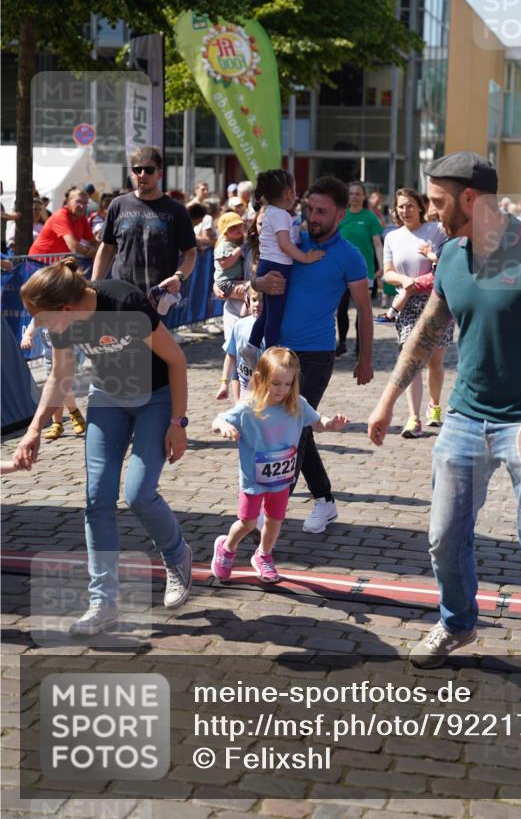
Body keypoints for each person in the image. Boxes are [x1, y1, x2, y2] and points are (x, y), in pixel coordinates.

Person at [368, 152, 521, 721]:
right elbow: (430, 328)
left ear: (471, 199)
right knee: (443, 537)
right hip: (464, 421)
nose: (431, 211)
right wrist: (386, 399)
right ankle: (457, 623)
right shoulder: (451, 253)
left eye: (440, 201)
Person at [13, 258, 193, 634]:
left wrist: (178, 423)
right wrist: (33, 429)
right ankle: (103, 604)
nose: (40, 326)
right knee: (97, 499)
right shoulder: (63, 325)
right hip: (108, 399)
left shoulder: (124, 302)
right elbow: (60, 378)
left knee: (140, 494)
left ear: (63, 309)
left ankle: (177, 557)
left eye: (40, 318)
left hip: (155, 397)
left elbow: (176, 360)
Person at [252, 176, 373, 534]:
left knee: (291, 429)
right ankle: (325, 500)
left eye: (322, 211)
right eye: (309, 209)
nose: (313, 216)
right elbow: (255, 276)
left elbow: (364, 310)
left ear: (339, 213)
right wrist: (258, 284)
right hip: (276, 352)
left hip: (316, 355)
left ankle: (273, 510)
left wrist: (364, 358)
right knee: (297, 427)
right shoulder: (290, 242)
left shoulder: (348, 256)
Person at [211, 347, 349, 582]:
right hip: (254, 480)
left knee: (275, 521)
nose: (282, 390)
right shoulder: (249, 407)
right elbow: (219, 419)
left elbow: (317, 422)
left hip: (282, 479)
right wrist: (223, 426)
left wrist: (330, 424)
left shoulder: (297, 404)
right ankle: (227, 546)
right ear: (260, 379)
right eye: (276, 383)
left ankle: (263, 555)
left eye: (287, 384)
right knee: (248, 522)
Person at [381, 188, 451, 438]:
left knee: (434, 362)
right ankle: (414, 418)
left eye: (410, 205)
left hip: (437, 303)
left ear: (420, 207)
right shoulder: (392, 237)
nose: (405, 210)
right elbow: (387, 272)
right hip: (408, 302)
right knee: (412, 361)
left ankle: (435, 404)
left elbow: (446, 262)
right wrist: (402, 279)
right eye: (401, 206)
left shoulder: (436, 231)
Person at [242, 169, 325, 369]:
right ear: (288, 193)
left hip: (270, 265)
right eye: (295, 190)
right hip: (277, 267)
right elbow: (285, 245)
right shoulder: (279, 214)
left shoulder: (274, 213)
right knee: (275, 316)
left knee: (268, 314)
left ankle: (252, 347)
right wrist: (305, 257)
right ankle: (270, 354)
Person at [92, 146, 197, 296]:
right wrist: (94, 286)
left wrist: (178, 277)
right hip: (121, 295)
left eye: (149, 170)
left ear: (160, 173)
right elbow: (107, 249)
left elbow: (190, 253)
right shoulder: (118, 205)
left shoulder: (176, 210)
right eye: (137, 170)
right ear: (132, 174)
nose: (142, 175)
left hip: (160, 295)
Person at [336, 181, 384, 357]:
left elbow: (377, 244)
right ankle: (341, 343)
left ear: (364, 197)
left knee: (361, 310)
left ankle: (359, 345)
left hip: (364, 271)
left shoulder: (370, 218)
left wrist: (383, 267)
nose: (354, 196)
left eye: (358, 193)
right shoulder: (341, 215)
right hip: (341, 270)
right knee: (341, 308)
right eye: (351, 193)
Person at [21, 317, 86, 441]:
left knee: (62, 385)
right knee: (56, 389)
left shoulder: (65, 311)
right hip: (50, 358)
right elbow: (32, 326)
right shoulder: (40, 314)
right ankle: (57, 423)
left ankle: (74, 413)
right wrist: (27, 336)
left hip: (70, 354)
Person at [29, 188, 99, 261]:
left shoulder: (81, 218)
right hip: (38, 263)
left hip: (55, 264)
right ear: (68, 201)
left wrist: (95, 249)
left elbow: (93, 242)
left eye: (85, 203)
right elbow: (73, 246)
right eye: (78, 202)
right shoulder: (61, 216)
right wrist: (90, 251)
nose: (82, 206)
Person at [214, 211, 250, 341]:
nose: (238, 229)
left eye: (239, 226)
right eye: (232, 227)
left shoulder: (237, 242)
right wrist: (240, 249)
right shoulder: (224, 245)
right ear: (225, 231)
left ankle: (244, 320)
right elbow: (225, 263)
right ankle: (243, 320)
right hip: (226, 283)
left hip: (232, 281)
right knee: (250, 293)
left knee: (251, 291)